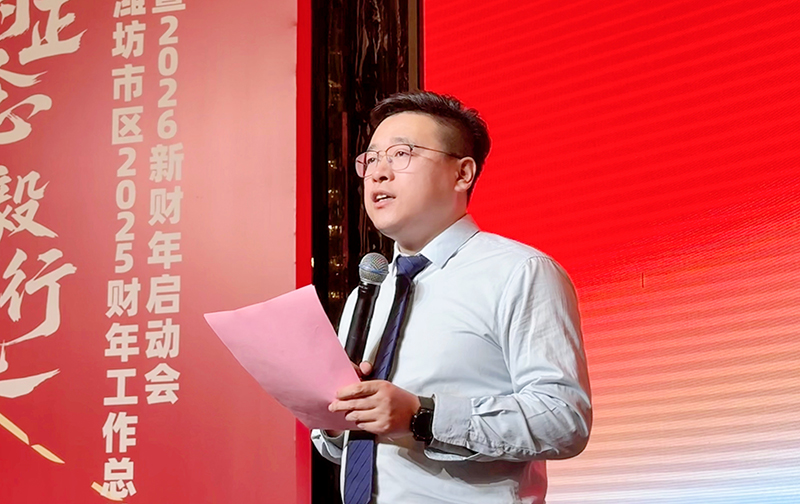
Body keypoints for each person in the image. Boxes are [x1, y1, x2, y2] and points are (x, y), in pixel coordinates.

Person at [311, 91, 592, 504]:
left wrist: (422, 416)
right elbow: (340, 448)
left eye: (401, 154)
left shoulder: (519, 272)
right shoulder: (368, 292)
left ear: (462, 173)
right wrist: (337, 419)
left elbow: (563, 419)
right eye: (370, 159)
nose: (378, 173)